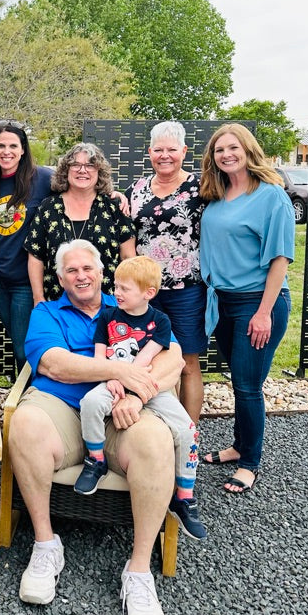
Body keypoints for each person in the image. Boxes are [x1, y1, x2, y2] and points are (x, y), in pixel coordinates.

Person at [9, 239, 184, 615]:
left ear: (102, 272)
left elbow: (173, 358)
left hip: (125, 414)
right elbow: (54, 363)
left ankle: (138, 571)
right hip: (64, 411)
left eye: (88, 268)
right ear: (59, 278)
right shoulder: (47, 313)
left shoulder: (132, 302)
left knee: (156, 442)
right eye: (71, 271)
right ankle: (45, 544)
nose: (81, 276)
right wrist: (119, 373)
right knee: (24, 423)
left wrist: (138, 395)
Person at [73, 256, 206, 541]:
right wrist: (108, 377)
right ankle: (96, 459)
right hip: (113, 380)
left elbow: (144, 360)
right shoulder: (108, 317)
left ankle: (184, 496)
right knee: (91, 403)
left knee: (188, 430)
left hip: (146, 386)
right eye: (116, 286)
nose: (117, 293)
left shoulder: (160, 322)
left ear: (149, 293)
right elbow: (100, 355)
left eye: (125, 288)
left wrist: (134, 394)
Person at [199, 123, 295, 494]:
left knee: (248, 385)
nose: (226, 154)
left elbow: (281, 260)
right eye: (219, 149)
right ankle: (238, 446)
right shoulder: (217, 193)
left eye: (233, 147)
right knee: (238, 382)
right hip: (222, 302)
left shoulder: (271, 196)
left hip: (258, 302)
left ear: (248, 149)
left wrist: (263, 313)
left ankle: (250, 462)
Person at [126, 121, 208, 423]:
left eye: (171, 149)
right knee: (148, 358)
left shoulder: (201, 188)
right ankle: (157, 427)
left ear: (184, 151)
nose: (165, 155)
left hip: (185, 291)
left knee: (187, 363)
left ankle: (189, 436)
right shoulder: (136, 190)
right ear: (149, 152)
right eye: (158, 149)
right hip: (145, 293)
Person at [25, 142, 135, 303]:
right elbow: (36, 256)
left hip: (107, 305)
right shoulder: (48, 208)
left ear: (99, 171)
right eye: (75, 164)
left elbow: (128, 257)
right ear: (66, 170)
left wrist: (128, 296)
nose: (82, 170)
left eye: (90, 165)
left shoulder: (114, 207)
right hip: (58, 305)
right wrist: (38, 297)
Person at [0, 121, 52, 374]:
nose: (7, 151)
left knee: (25, 346)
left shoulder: (42, 178)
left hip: (26, 280)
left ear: (23, 149)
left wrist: (114, 194)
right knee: (17, 341)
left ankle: (31, 397)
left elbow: (81, 185)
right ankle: (24, 391)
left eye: (13, 145)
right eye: (1, 145)